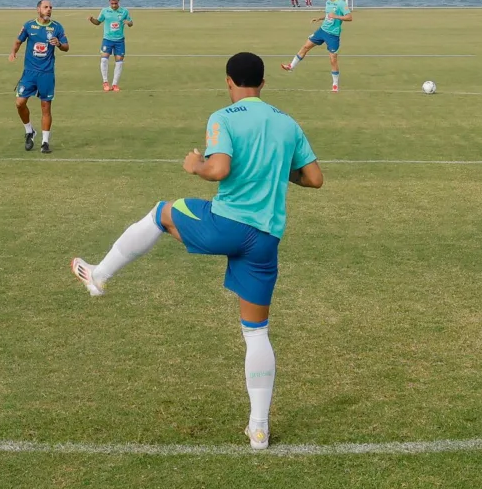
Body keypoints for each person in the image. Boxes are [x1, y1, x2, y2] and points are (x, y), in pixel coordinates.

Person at [71, 50, 324, 449]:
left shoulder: (223, 118)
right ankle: (259, 429)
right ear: (264, 83)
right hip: (265, 239)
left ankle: (99, 276)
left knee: (162, 213)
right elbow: (314, 178)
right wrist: (274, 167)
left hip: (224, 226)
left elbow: (219, 169)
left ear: (228, 81)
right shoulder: (286, 122)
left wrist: (195, 166)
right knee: (256, 333)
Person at [14, 0, 69, 152]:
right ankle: (29, 130)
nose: (49, 10)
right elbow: (19, 41)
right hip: (29, 73)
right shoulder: (29, 25)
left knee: (46, 107)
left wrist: (58, 44)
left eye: (50, 8)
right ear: (38, 9)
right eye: (46, 7)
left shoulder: (56, 27)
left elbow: (66, 47)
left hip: (46, 73)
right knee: (19, 103)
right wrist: (13, 53)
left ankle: (45, 143)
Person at [282, 0, 351, 92]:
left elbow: (349, 17)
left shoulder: (341, 3)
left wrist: (337, 16)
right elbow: (328, 15)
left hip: (333, 35)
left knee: (333, 59)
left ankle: (335, 84)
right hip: (322, 31)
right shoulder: (328, 2)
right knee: (305, 47)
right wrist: (319, 18)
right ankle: (291, 66)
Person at [93, 0, 135, 91]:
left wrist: (128, 23)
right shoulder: (104, 11)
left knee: (119, 61)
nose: (114, 5)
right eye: (112, 4)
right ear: (109, 2)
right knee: (104, 59)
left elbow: (131, 23)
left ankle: (115, 84)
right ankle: (105, 82)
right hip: (107, 39)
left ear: (118, 1)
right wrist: (92, 19)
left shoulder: (124, 11)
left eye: (115, 3)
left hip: (119, 41)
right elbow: (98, 22)